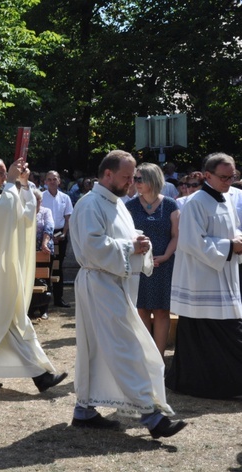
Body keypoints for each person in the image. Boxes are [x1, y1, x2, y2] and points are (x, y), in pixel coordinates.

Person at [70, 149, 185, 438]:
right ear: (107, 174)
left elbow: (121, 235)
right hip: (99, 283)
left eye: (133, 177)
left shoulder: (117, 203)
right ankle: (152, 416)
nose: (131, 182)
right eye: (126, 177)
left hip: (115, 283)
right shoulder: (89, 204)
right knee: (126, 347)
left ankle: (84, 410)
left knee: (96, 348)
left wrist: (137, 239)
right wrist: (129, 247)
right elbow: (93, 246)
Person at [0, 156, 67, 393]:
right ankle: (41, 376)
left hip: (1, 269)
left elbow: (23, 215)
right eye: (0, 173)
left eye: (4, 173)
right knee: (9, 320)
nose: (3, 178)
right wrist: (12, 183)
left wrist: (22, 184)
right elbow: (2, 216)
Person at [167, 152, 242, 399]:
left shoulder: (225, 199)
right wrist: (231, 246)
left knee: (213, 333)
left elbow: (228, 231)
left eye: (232, 176)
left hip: (223, 275)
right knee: (221, 334)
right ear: (207, 175)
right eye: (224, 177)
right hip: (202, 281)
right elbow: (191, 242)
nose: (229, 181)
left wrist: (236, 239)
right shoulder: (196, 202)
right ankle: (192, 383)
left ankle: (210, 385)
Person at [125, 163, 179, 356]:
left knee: (163, 311)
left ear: (152, 180)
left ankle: (159, 358)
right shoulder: (129, 205)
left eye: (140, 179)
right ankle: (146, 358)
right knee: (142, 310)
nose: (135, 183)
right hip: (139, 266)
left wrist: (165, 256)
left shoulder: (171, 204)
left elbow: (176, 235)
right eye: (135, 179)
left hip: (163, 265)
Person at [41, 171, 73, 307]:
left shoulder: (65, 198)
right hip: (43, 235)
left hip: (61, 234)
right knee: (44, 267)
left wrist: (64, 234)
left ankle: (58, 299)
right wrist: (47, 237)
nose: (52, 182)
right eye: (49, 179)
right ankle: (43, 303)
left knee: (59, 267)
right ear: (45, 182)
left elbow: (68, 218)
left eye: (54, 179)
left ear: (59, 181)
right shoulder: (41, 197)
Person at [30, 188, 54, 320]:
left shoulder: (46, 212)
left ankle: (44, 309)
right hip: (29, 252)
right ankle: (31, 308)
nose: (35, 203)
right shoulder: (25, 213)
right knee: (30, 280)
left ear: (40, 200)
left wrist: (44, 244)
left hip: (44, 251)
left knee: (45, 279)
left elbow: (49, 227)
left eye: (37, 200)